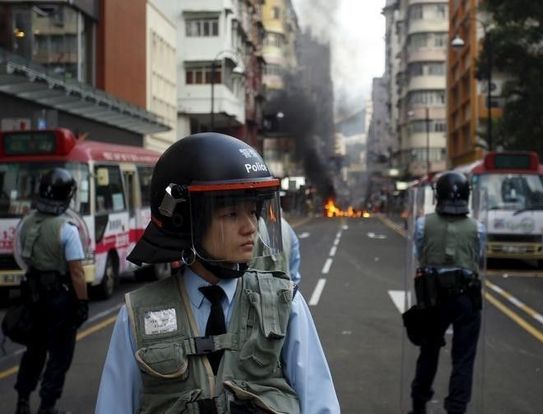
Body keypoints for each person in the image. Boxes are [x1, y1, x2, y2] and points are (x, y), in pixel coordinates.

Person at [95, 132, 339, 413]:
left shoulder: (286, 304)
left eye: (253, 213)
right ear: (187, 222)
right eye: (231, 215)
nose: (250, 227)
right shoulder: (137, 315)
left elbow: (321, 404)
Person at [408, 171, 485, 414]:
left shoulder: (423, 224)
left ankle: (419, 405)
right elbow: (478, 258)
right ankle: (456, 408)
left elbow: (419, 253)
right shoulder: (478, 228)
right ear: (466, 196)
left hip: (433, 296)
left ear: (437, 195)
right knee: (463, 357)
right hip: (466, 297)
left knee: (428, 351)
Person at [14, 168, 88, 414]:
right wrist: (82, 303)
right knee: (59, 355)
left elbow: (21, 257)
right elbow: (76, 271)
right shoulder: (67, 228)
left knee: (33, 350)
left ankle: (22, 401)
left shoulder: (25, 223)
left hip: (32, 295)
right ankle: (47, 406)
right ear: (66, 195)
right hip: (59, 298)